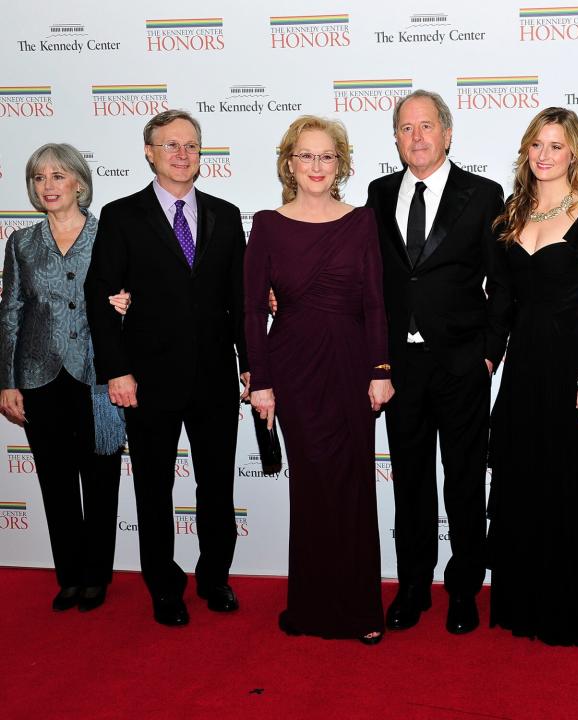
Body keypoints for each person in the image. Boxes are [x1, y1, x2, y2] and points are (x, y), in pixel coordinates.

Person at [85, 109, 249, 627]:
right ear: (149, 152)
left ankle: (215, 577)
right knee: (154, 489)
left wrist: (251, 366)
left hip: (215, 378)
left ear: (201, 153)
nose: (182, 153)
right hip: (147, 380)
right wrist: (116, 370)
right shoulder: (121, 215)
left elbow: (239, 302)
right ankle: (163, 585)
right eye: (170, 144)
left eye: (191, 145)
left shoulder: (226, 214)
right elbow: (100, 297)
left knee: (216, 486)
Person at [486, 107, 578, 646]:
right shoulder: (512, 212)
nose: (544, 155)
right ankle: (529, 597)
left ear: (574, 152)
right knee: (527, 476)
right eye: (536, 145)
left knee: (574, 480)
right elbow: (500, 296)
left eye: (555, 145)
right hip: (524, 364)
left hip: (573, 362)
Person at [366, 89, 511, 634]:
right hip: (399, 369)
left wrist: (489, 356)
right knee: (410, 483)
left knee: (465, 481)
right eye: (406, 128)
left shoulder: (482, 194)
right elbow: (371, 279)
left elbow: (501, 284)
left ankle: (464, 588)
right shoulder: (378, 194)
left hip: (461, 364)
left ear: (448, 134)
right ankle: (411, 587)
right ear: (396, 138)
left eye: (428, 126)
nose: (417, 137)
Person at [246, 116, 393, 644]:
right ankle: (309, 607)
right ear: (289, 163)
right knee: (311, 487)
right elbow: (249, 313)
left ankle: (360, 612)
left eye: (326, 156)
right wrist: (259, 380)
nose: (316, 166)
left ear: (341, 163)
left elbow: (376, 302)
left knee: (354, 486)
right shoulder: (266, 223)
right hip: (294, 368)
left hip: (354, 366)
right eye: (305, 156)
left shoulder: (361, 222)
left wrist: (381, 369)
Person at [0, 143, 128, 613]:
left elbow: (136, 296)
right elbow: (10, 312)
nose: (48, 186)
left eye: (58, 176)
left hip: (99, 376)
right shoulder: (21, 243)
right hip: (39, 376)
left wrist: (129, 304)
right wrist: (7, 381)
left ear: (79, 182)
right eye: (39, 178)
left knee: (100, 480)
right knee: (55, 482)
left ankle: (97, 576)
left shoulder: (111, 235)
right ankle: (69, 575)